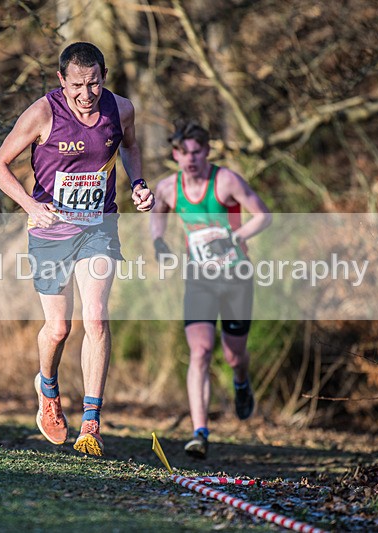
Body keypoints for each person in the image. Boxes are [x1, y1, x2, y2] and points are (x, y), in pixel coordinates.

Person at [0, 42, 154, 456]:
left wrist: (137, 183)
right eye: (77, 85)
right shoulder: (43, 113)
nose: (86, 94)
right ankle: (47, 388)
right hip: (51, 232)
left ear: (104, 76)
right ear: (61, 81)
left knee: (96, 319)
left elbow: (130, 146)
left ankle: (92, 421)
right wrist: (30, 205)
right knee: (59, 329)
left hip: (99, 226)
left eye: (94, 83)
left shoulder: (121, 109)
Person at [150, 120, 271, 459]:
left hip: (236, 278)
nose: (190, 158)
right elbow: (157, 213)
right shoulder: (169, 188)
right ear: (175, 154)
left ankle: (241, 381)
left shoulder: (226, 180)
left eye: (197, 151)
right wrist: (159, 241)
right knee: (200, 351)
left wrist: (237, 237)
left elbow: (263, 215)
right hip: (199, 279)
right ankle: (199, 432)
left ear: (207, 151)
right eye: (184, 152)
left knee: (233, 354)